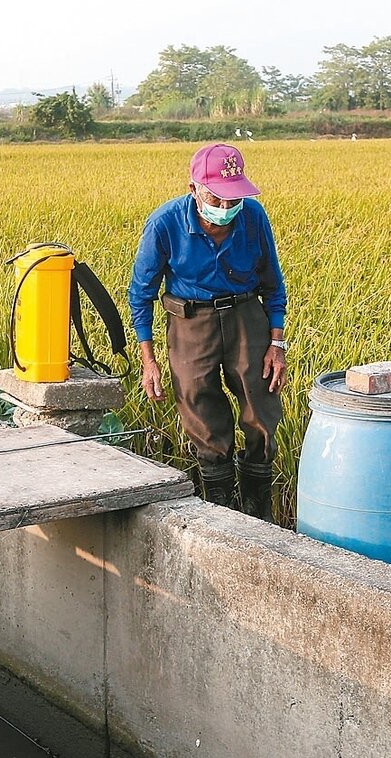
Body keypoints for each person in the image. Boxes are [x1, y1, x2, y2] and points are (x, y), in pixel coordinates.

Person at [128, 143, 288, 520]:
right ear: (194, 189)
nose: (227, 205)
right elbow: (141, 294)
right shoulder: (165, 224)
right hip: (190, 321)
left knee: (261, 402)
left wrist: (277, 344)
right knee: (198, 403)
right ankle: (222, 509)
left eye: (235, 197)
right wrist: (149, 360)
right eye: (216, 196)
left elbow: (273, 284)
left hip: (246, 315)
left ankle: (258, 511)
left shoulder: (253, 216)